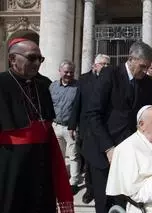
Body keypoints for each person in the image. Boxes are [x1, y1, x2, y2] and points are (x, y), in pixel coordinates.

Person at [0, 38, 74, 213]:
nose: (37, 63)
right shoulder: (2, 83)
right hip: (9, 164)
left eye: (40, 59)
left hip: (41, 161)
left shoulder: (43, 84)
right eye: (31, 57)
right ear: (12, 59)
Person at [85, 41, 152, 213]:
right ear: (131, 59)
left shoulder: (145, 82)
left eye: (147, 67)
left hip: (128, 153)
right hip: (102, 150)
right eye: (142, 66)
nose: (145, 71)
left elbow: (147, 113)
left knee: (124, 202)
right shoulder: (110, 75)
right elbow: (93, 114)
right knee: (104, 202)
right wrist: (109, 148)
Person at [68, 54, 110, 204]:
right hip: (86, 127)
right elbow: (77, 103)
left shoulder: (110, 79)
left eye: (107, 64)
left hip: (102, 128)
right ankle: (90, 190)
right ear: (94, 65)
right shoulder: (84, 80)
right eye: (102, 64)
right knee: (87, 162)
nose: (105, 67)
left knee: (100, 162)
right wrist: (72, 125)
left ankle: (102, 190)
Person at [49, 60, 81, 193]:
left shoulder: (79, 87)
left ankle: (74, 182)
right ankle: (59, 178)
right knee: (58, 155)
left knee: (73, 155)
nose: (69, 74)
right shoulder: (53, 86)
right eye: (66, 71)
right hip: (56, 126)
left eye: (71, 72)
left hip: (71, 128)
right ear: (60, 71)